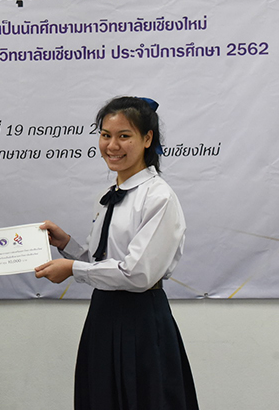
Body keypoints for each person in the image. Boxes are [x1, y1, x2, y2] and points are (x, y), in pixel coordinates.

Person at [35, 96, 198, 410]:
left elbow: (136, 274)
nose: (112, 146)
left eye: (124, 136)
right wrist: (66, 244)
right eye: (105, 135)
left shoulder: (158, 196)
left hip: (141, 320)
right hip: (104, 315)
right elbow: (103, 263)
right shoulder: (109, 195)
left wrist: (71, 269)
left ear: (147, 139)